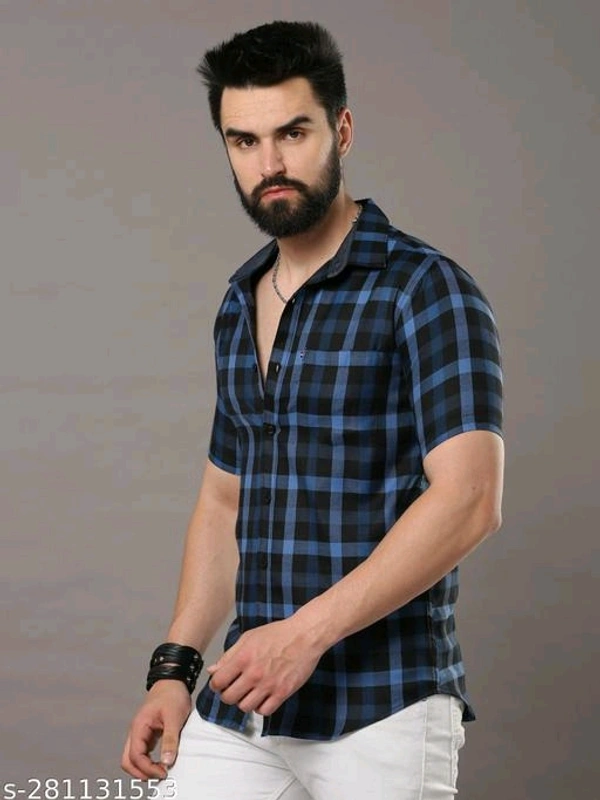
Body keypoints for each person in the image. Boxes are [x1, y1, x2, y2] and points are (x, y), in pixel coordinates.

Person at [121, 20, 504, 800]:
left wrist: (303, 637)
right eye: (245, 141)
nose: (270, 164)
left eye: (292, 133)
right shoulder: (239, 302)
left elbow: (470, 500)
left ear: (342, 130)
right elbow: (223, 501)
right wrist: (174, 671)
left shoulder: (424, 288)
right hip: (247, 699)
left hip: (386, 704)